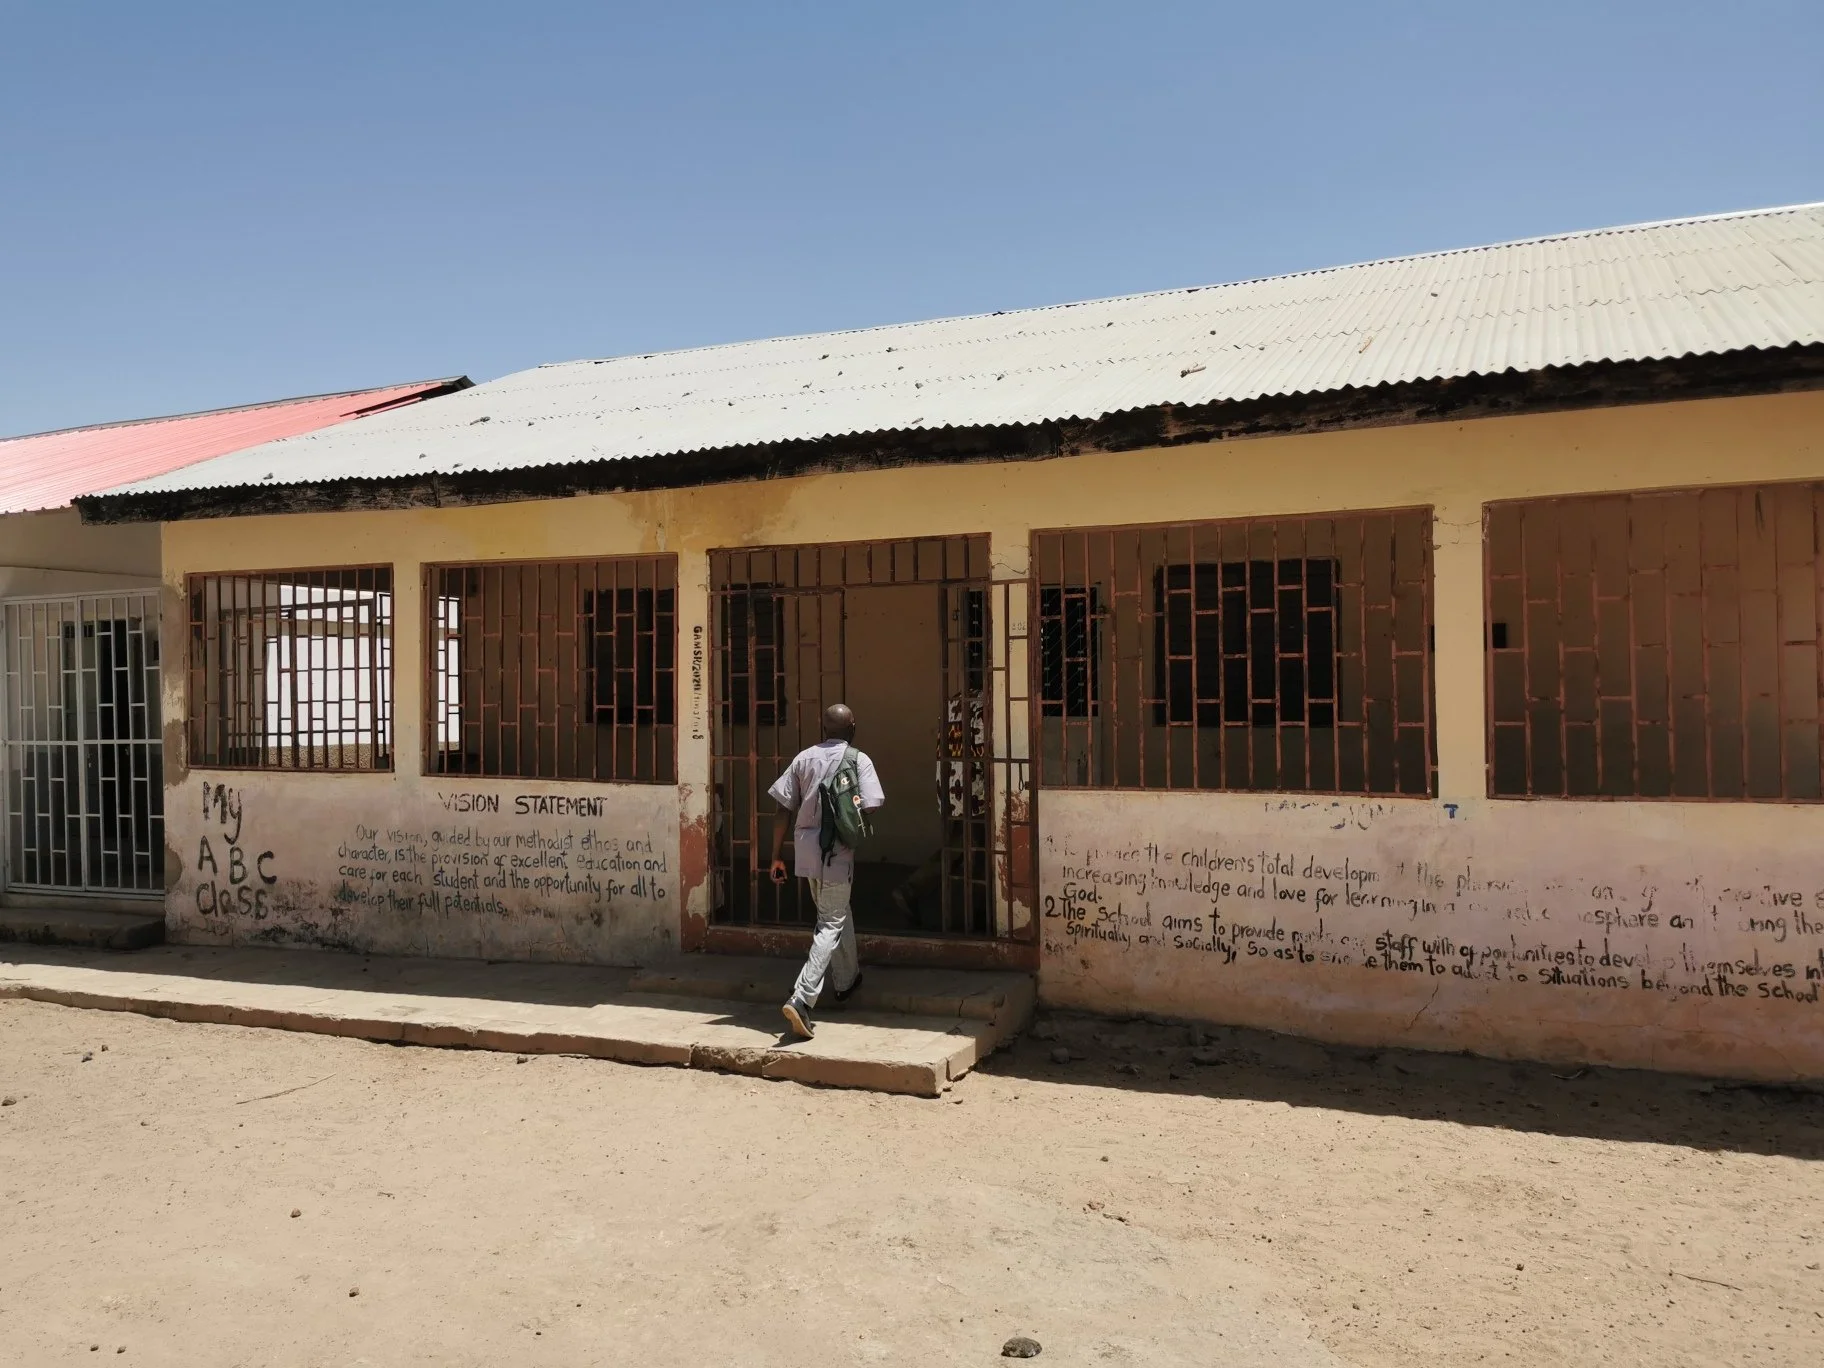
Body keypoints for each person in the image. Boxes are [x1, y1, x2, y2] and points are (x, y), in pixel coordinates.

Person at [766, 702, 885, 1039]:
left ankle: (846, 981)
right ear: (852, 727)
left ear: (824, 728)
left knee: (834, 912)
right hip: (838, 851)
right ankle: (802, 998)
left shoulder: (803, 759)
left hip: (805, 850)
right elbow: (873, 803)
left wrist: (776, 857)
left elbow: (781, 809)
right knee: (830, 922)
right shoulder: (859, 759)